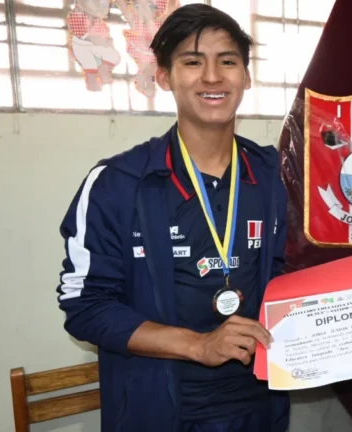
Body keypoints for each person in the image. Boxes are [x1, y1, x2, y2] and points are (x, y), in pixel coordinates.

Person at [56, 4, 289, 432]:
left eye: (228, 61)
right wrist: (199, 345)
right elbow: (85, 306)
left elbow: (293, 276)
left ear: (247, 77)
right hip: (156, 409)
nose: (213, 77)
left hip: (258, 408)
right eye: (192, 62)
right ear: (164, 76)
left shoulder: (275, 176)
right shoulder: (119, 183)